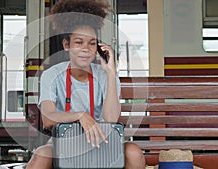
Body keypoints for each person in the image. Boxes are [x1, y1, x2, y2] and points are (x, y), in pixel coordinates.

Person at [26, 0, 146, 169]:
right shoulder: (51, 75)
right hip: (64, 143)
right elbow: (47, 118)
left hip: (103, 141)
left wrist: (111, 73)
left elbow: (111, 119)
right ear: (66, 45)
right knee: (41, 155)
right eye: (79, 42)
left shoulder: (106, 75)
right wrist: (81, 115)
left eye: (92, 43)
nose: (86, 49)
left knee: (133, 152)